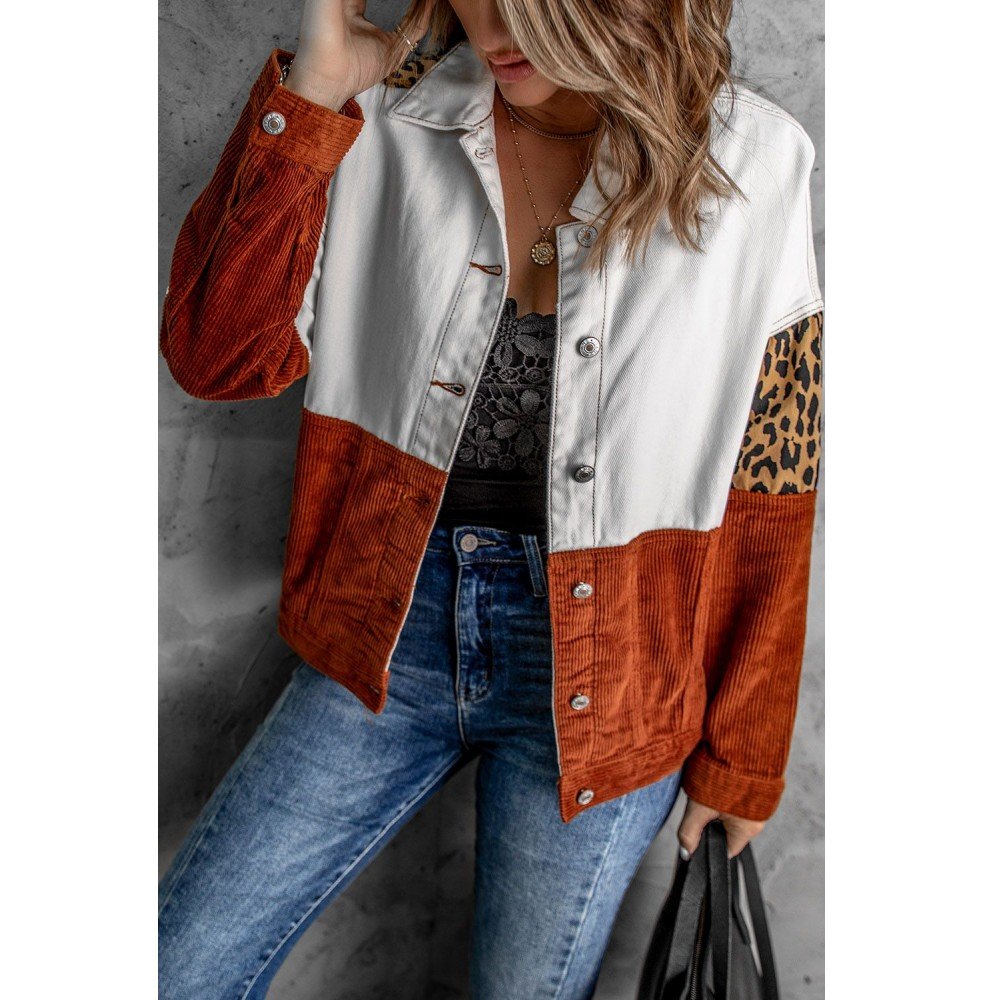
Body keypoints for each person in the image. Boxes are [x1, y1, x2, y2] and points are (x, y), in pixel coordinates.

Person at [158, 0, 824, 996]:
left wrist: (747, 755)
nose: (498, 23)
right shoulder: (388, 112)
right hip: (386, 625)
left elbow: (774, 476)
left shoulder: (754, 159)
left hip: (614, 671)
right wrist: (316, 96)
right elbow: (216, 356)